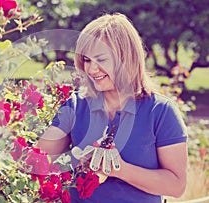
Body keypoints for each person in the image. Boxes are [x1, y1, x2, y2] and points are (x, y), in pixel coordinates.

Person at [37, 13, 187, 203]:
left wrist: (120, 169)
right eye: (87, 60)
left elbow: (176, 185)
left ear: (126, 58)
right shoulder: (77, 105)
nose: (91, 69)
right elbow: (40, 159)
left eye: (101, 59)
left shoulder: (160, 111)